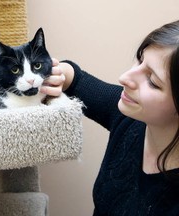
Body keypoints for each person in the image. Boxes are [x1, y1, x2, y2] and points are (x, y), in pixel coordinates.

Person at [40, 20, 179, 215]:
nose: (125, 78)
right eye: (140, 60)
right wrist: (57, 73)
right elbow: (75, 79)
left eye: (152, 81)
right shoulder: (130, 115)